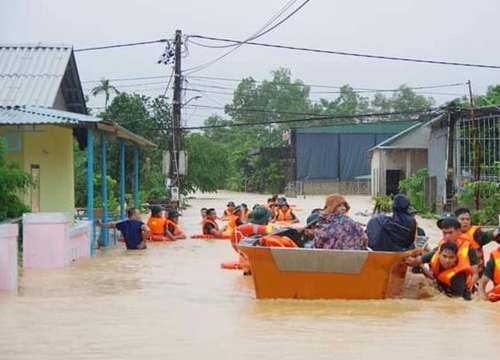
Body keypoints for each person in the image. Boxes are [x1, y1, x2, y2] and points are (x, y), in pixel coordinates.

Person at [405, 215, 479, 299]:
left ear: (458, 232)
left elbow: (475, 273)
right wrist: (407, 258)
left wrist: (471, 285)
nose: (447, 236)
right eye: (444, 233)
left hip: (462, 288)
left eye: (450, 233)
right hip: (443, 285)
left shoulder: (469, 250)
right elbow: (418, 260)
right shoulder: (440, 248)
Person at [454, 207, 500, 276]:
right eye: (462, 219)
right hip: (459, 272)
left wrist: (496, 233)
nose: (465, 222)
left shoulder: (476, 233)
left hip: (477, 273)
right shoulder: (451, 233)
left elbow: (486, 236)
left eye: (468, 219)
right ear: (456, 220)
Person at [230, 206, 273, 275]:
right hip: (259, 265)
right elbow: (274, 230)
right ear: (266, 219)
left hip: (246, 264)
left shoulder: (246, 229)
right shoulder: (266, 230)